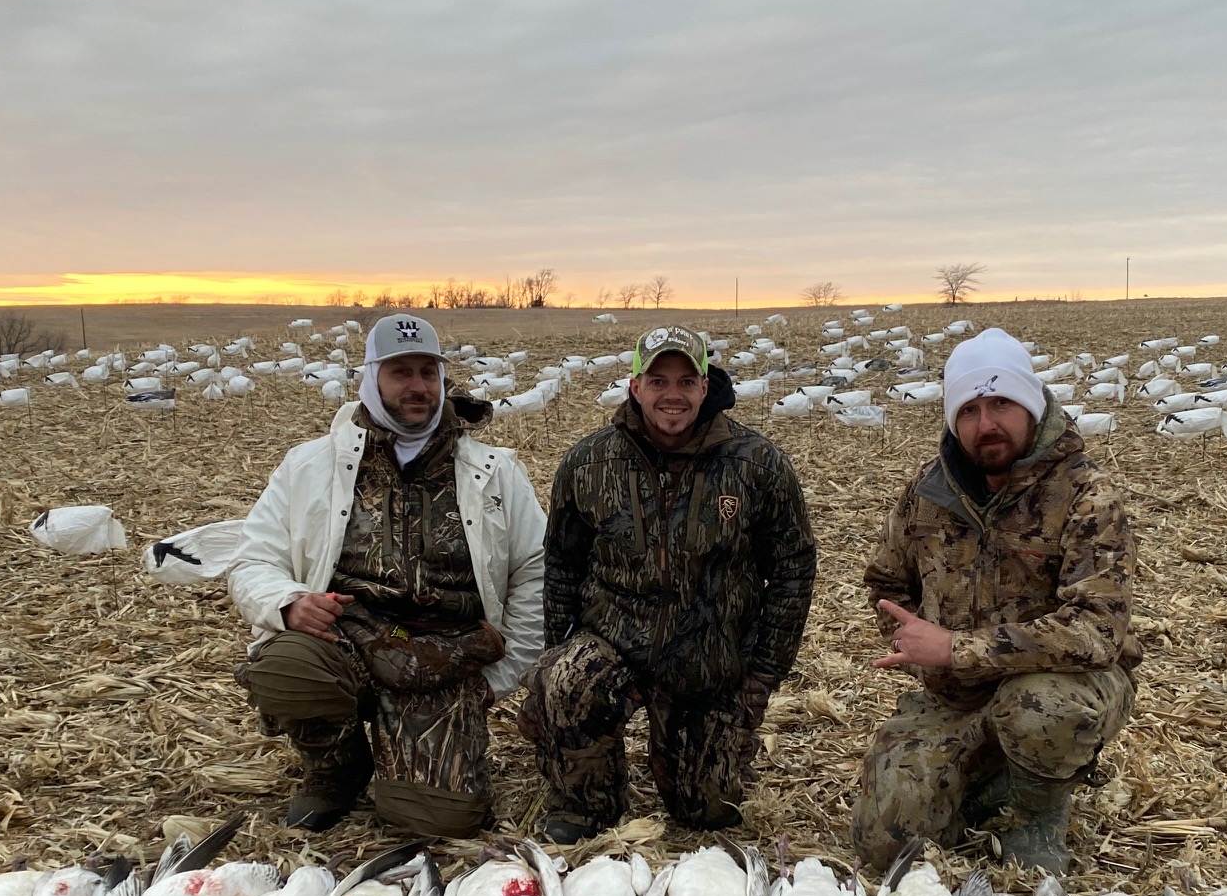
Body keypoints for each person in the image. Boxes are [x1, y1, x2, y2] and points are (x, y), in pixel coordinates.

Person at [226, 314, 546, 837]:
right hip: (347, 638)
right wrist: (287, 602)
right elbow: (253, 559)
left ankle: (412, 756)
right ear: (371, 377)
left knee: (440, 822)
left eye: (428, 372)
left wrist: (503, 675)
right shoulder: (310, 466)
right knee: (287, 666)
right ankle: (336, 765)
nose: (417, 386)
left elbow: (535, 570)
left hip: (447, 656)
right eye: (400, 372)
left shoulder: (493, 470)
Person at [855, 327, 1140, 873]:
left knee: (1040, 710)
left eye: (1001, 403)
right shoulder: (927, 491)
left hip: (1063, 685)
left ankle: (1037, 813)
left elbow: (1097, 629)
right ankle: (992, 774)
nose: (985, 424)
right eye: (969, 410)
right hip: (956, 698)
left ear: (1031, 404)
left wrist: (955, 649)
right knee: (886, 841)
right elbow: (886, 582)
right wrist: (912, 642)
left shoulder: (1085, 495)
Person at [522, 324, 817, 844]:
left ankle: (705, 753)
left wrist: (762, 676)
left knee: (704, 811)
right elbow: (562, 566)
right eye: (658, 381)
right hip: (612, 641)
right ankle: (587, 799)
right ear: (635, 387)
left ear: (705, 387)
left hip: (710, 656)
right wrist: (556, 661)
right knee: (567, 679)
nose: (672, 395)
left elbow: (793, 569)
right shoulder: (590, 463)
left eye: (685, 381)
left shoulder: (756, 463)